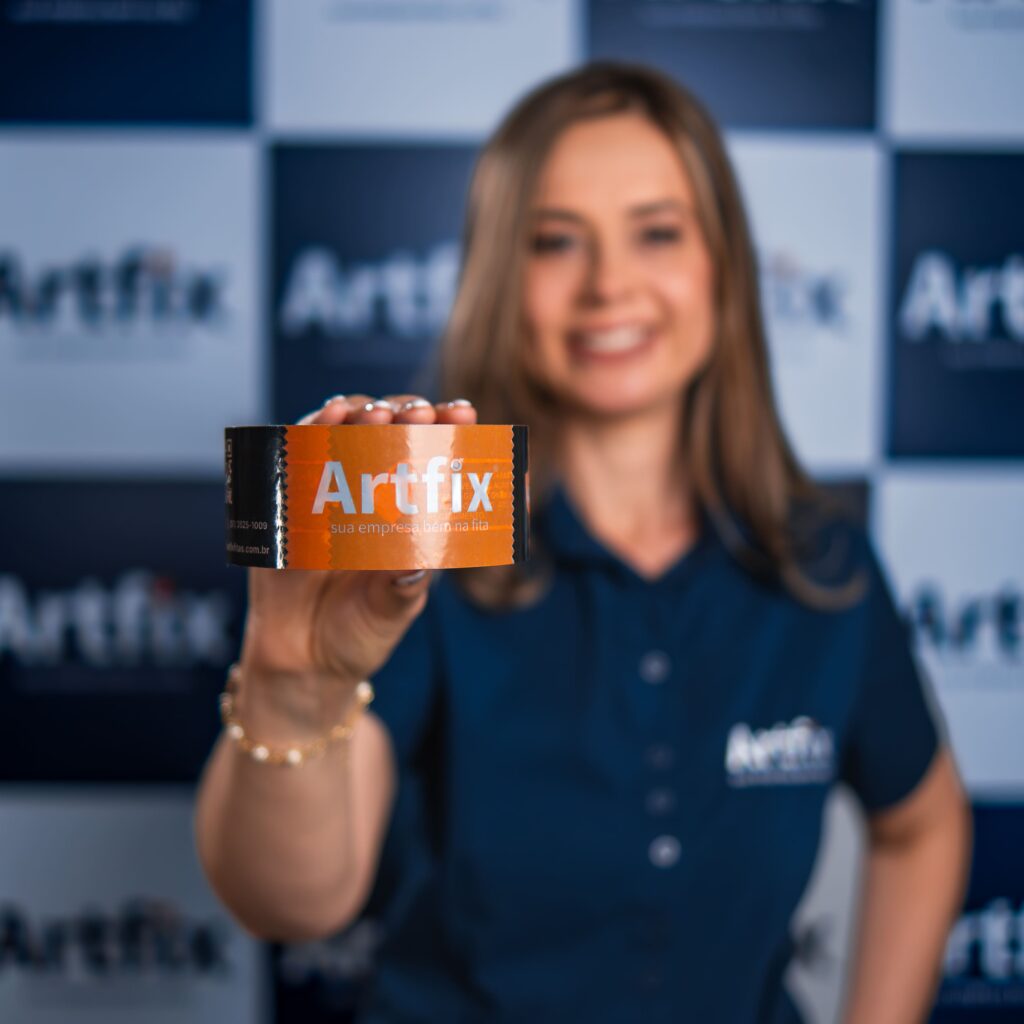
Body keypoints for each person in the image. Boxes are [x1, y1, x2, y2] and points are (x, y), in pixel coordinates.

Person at [195, 62, 971, 1022]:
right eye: (556, 241)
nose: (609, 285)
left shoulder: (825, 565)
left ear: (723, 265)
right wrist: (291, 683)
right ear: (500, 279)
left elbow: (922, 824)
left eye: (657, 232)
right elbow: (294, 902)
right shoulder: (420, 551)